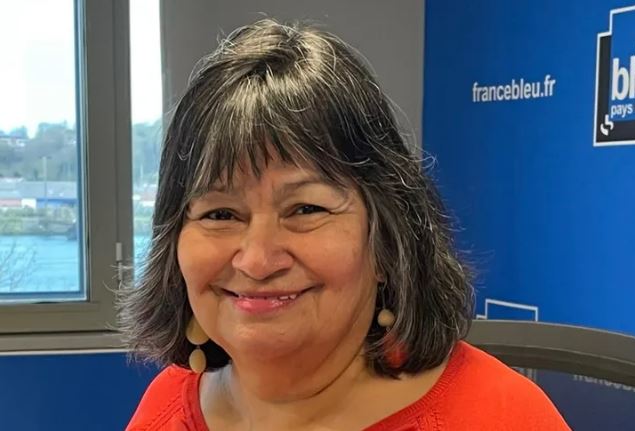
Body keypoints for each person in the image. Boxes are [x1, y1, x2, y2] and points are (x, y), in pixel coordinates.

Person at [120, 19, 570, 431]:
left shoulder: (504, 418)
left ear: (387, 238)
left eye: (306, 209)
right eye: (220, 214)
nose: (257, 260)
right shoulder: (166, 407)